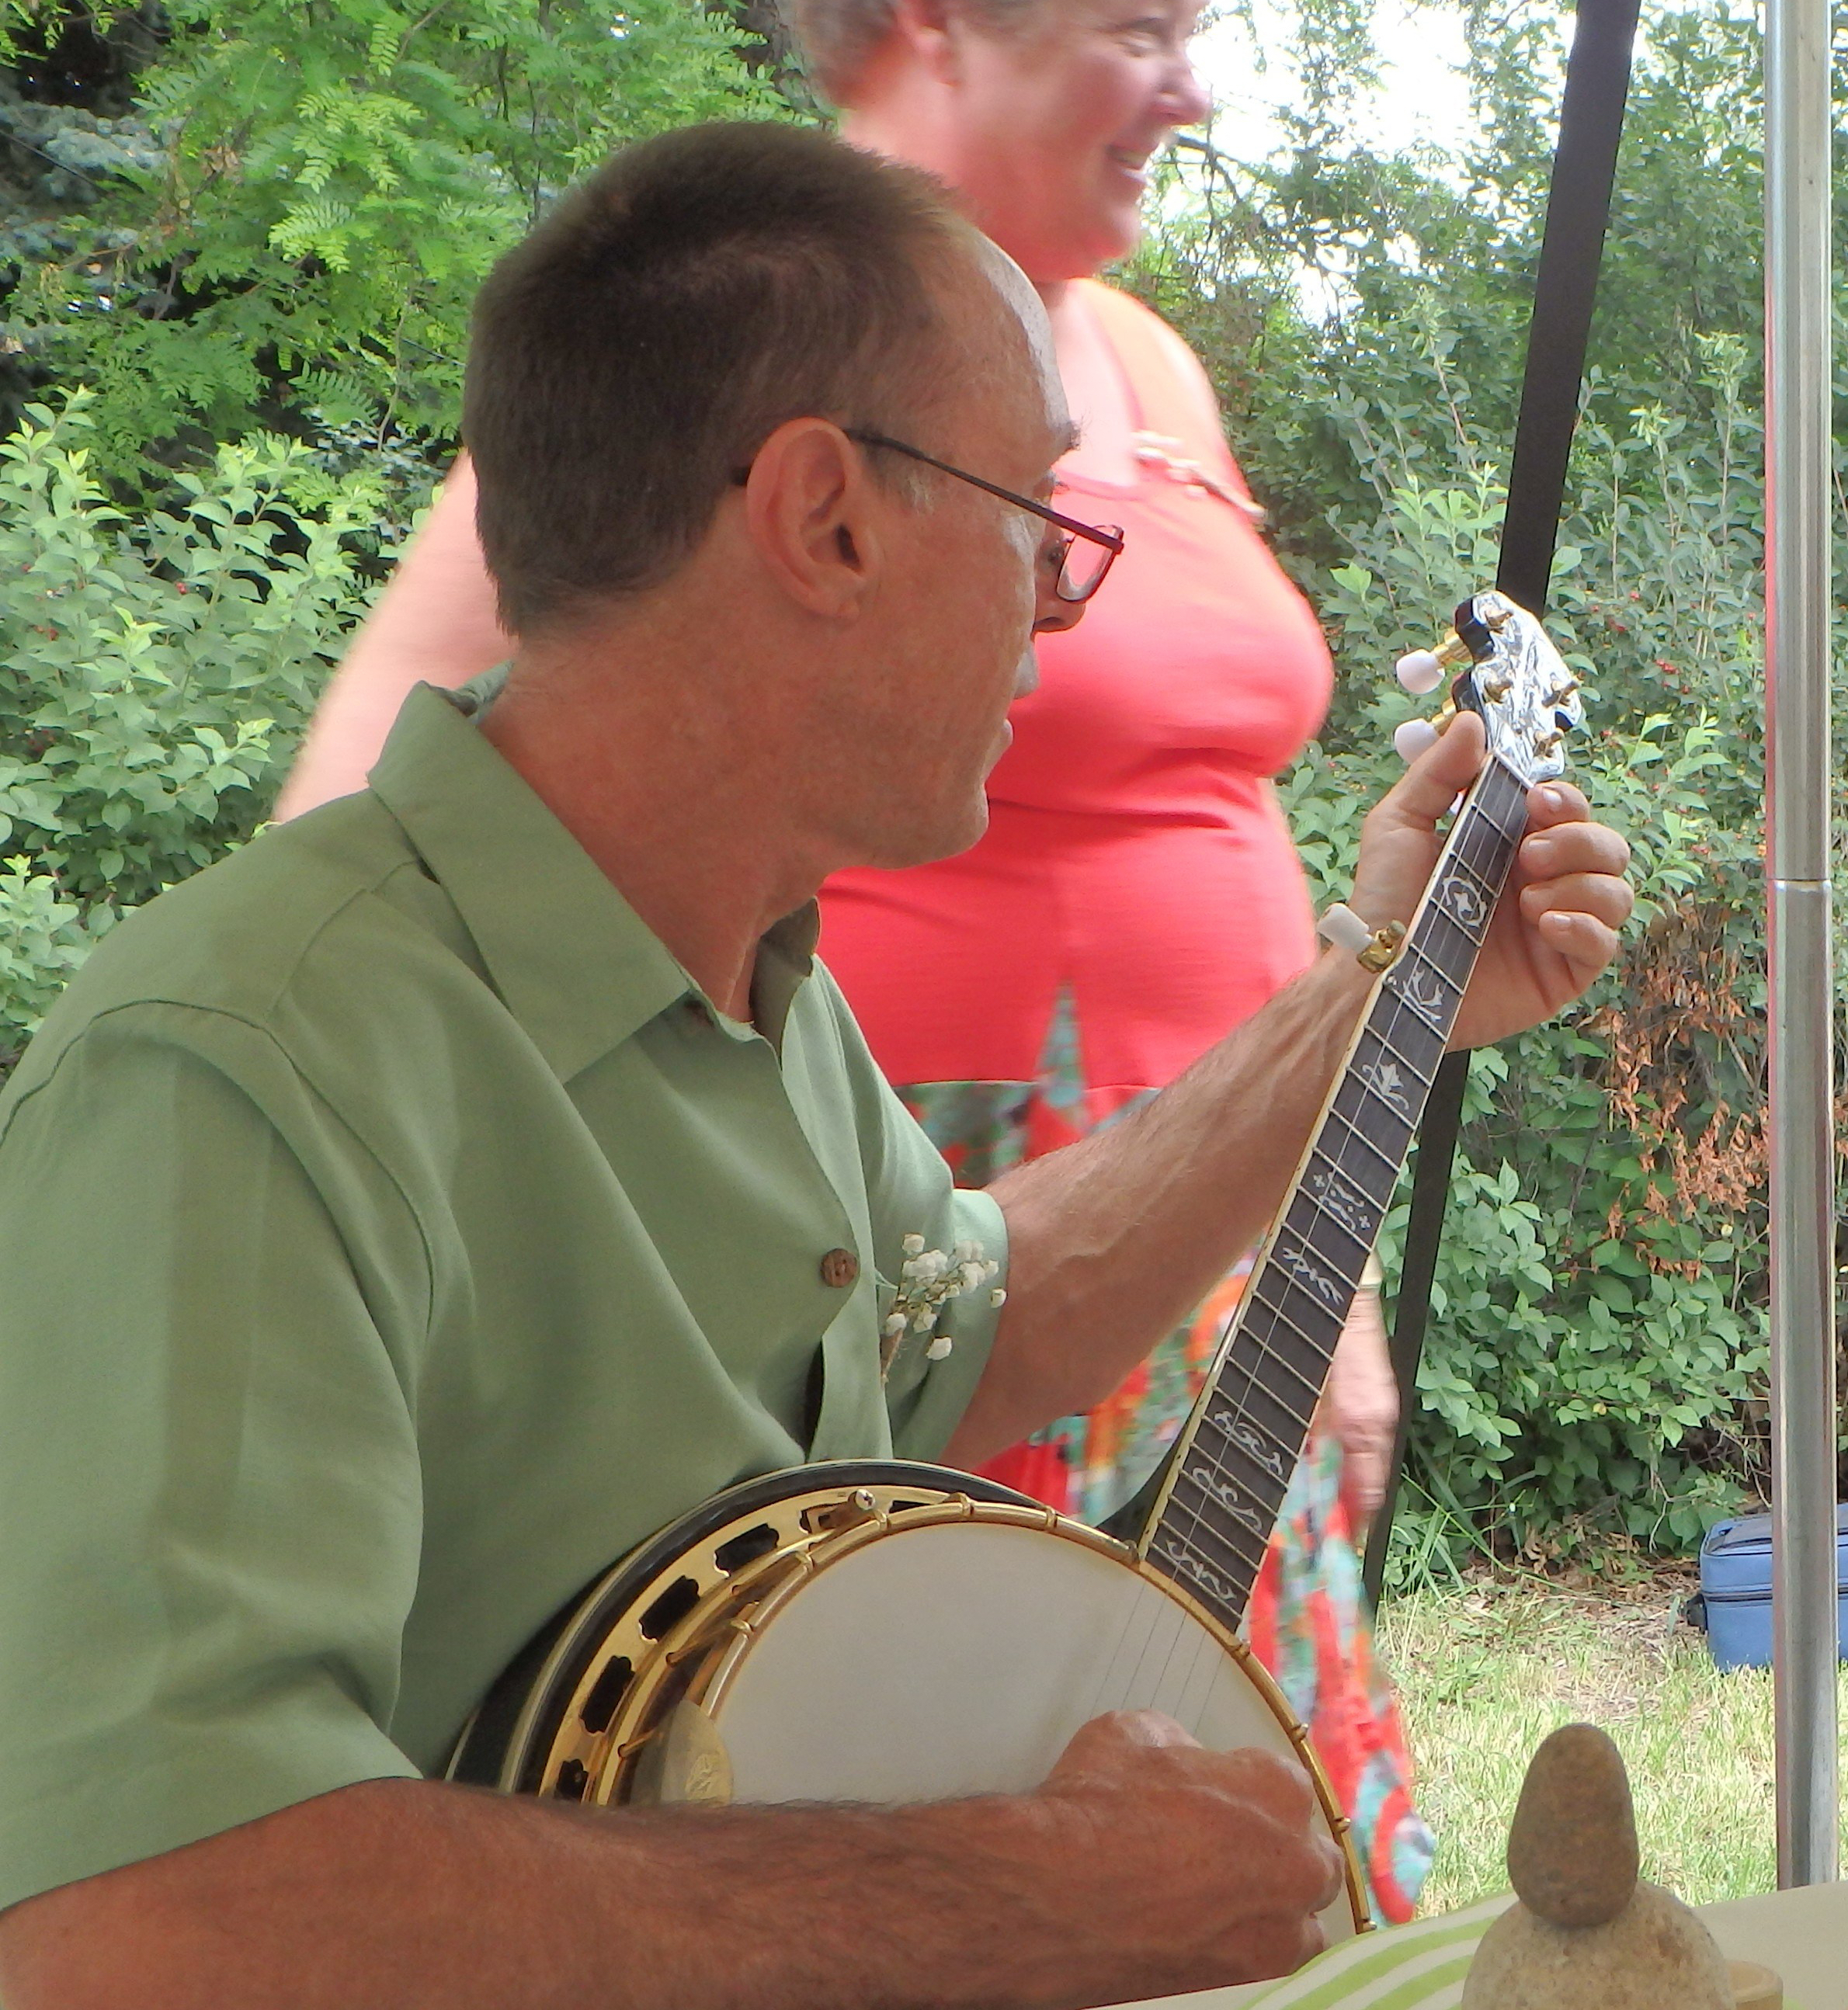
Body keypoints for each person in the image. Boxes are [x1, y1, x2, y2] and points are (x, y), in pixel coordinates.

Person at [0, 122, 1631, 2008]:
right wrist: (1002, 1897)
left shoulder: (755, 987)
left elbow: (976, 1327)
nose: (1060, 603)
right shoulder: (241, 1073)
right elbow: (133, 1926)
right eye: (1044, 526)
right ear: (825, 517)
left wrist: (1377, 986)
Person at [268, 0, 1435, 1914]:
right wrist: (377, 1138)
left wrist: (1335, 1254)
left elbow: (1214, 842)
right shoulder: (730, 336)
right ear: (934, 23)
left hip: (1182, 1242)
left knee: (1240, 1864)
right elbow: (439, 724)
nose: (1194, 83)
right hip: (879, 1221)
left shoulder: (1140, 359)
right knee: (943, 1854)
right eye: (1141, 23)